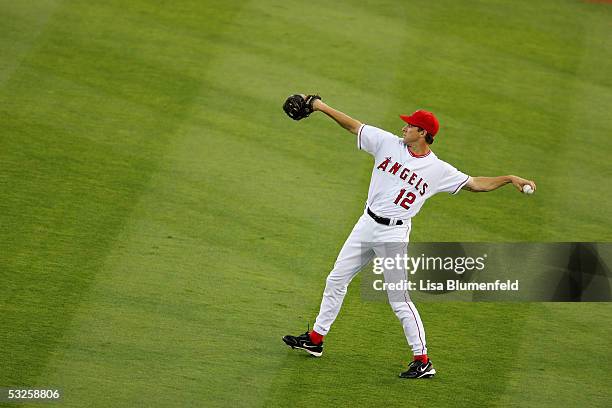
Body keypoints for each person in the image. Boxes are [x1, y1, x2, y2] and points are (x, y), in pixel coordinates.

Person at [282, 96, 536, 379]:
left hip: (393, 234)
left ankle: (423, 360)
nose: (404, 128)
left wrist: (510, 178)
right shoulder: (388, 143)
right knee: (336, 279)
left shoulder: (438, 170)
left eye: (410, 125)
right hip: (366, 224)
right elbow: (354, 126)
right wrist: (320, 106)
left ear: (423, 134)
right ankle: (316, 339)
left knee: (398, 299)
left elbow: (475, 184)